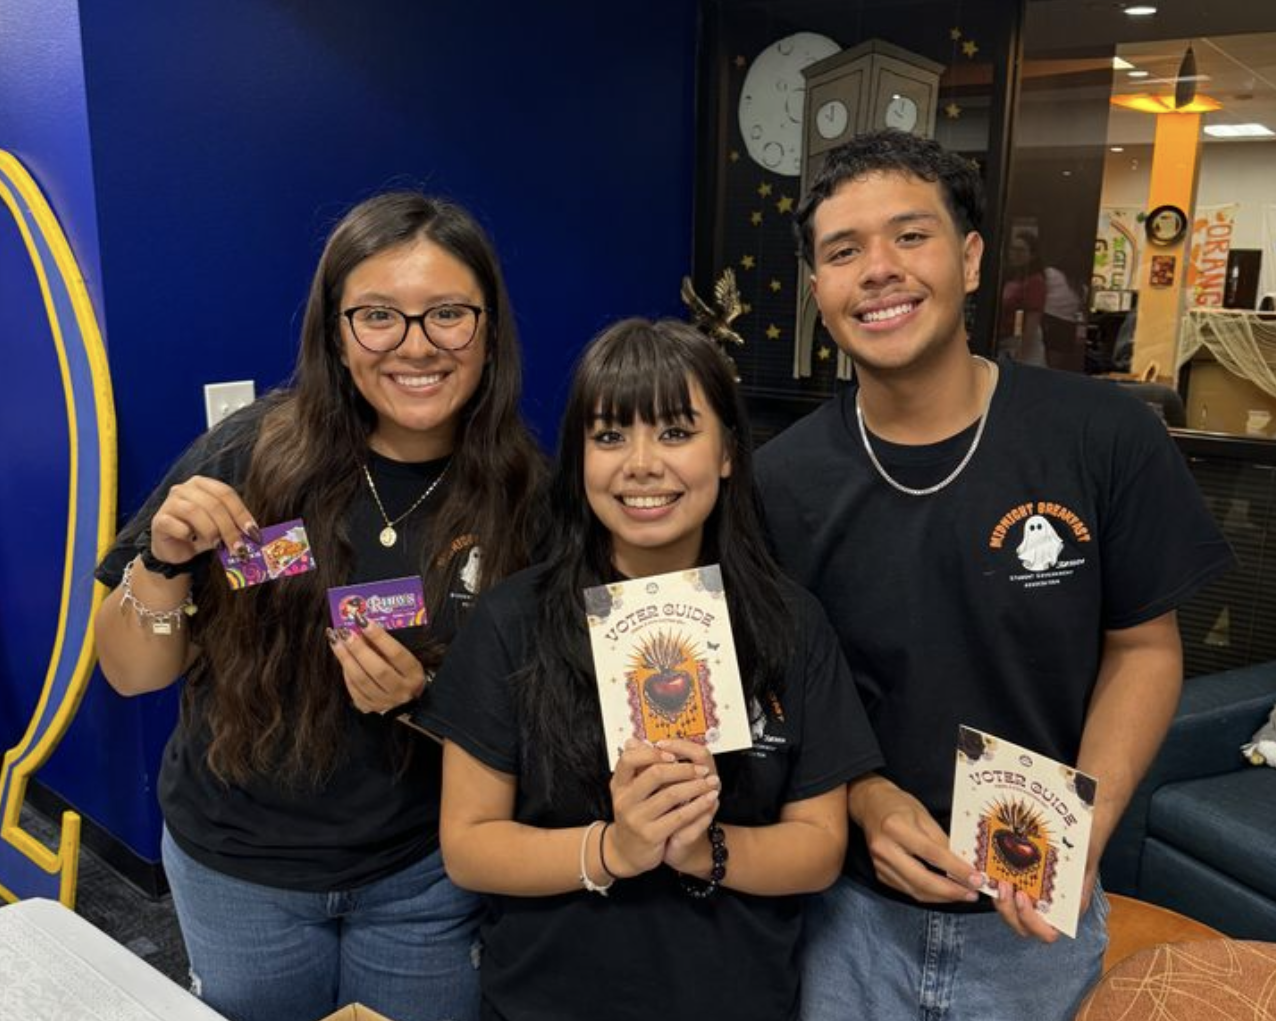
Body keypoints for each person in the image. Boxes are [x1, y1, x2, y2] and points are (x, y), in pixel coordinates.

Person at [756, 129, 1234, 1021]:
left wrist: (1086, 827)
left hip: (1036, 923)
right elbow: (787, 691)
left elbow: (1144, 647)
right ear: (818, 290)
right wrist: (864, 797)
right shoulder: (780, 482)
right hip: (845, 920)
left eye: (911, 235)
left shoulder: (1101, 434)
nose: (879, 270)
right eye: (843, 251)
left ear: (970, 259)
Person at [93, 191, 546, 1021]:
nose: (416, 346)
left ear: (488, 329)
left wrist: (423, 702)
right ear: (337, 334)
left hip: (425, 872)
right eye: (378, 315)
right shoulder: (251, 452)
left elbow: (546, 723)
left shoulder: (526, 497)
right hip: (238, 871)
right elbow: (130, 672)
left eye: (447, 314)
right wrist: (161, 563)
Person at [422, 318, 883, 1021]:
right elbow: (469, 845)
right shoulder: (514, 620)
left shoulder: (790, 622)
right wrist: (615, 847)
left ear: (727, 450)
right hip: (548, 999)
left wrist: (704, 848)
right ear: (579, 457)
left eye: (675, 432)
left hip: (736, 997)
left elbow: (819, 846)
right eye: (609, 436)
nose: (641, 463)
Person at [998, 231, 1047, 365]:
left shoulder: (1035, 281)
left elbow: (1032, 322)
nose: (1015, 253)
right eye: (1012, 249)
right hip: (1005, 343)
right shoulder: (1013, 277)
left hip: (1022, 346)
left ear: (1032, 255)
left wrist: (1020, 355)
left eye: (1020, 250)